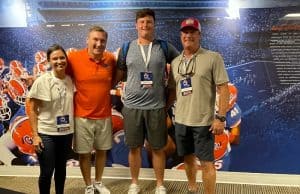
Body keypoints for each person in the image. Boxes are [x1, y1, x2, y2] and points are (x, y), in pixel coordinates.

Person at [115, 8, 179, 194]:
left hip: (156, 107)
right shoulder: (127, 48)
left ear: (154, 24)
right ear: (136, 25)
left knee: (158, 148)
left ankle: (160, 185)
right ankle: (134, 183)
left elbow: (180, 63)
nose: (145, 25)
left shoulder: (164, 47)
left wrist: (172, 91)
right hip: (132, 107)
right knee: (134, 148)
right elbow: (118, 75)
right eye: (141, 22)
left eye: (149, 22)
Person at [170, 18, 230, 194]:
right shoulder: (175, 63)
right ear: (181, 36)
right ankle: (192, 188)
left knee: (207, 163)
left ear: (199, 35)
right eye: (185, 32)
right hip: (181, 121)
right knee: (188, 159)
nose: (188, 35)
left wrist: (220, 117)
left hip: (204, 122)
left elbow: (223, 88)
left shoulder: (213, 57)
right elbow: (173, 92)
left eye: (192, 32)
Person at [67, 25, 115, 194]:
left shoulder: (110, 59)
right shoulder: (74, 58)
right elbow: (59, 75)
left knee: (102, 151)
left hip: (104, 115)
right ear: (87, 40)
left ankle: (98, 182)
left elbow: (114, 81)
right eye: (95, 39)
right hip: (82, 115)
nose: (99, 43)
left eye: (102, 40)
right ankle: (88, 185)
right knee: (84, 154)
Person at [28, 44, 74, 194]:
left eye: (62, 57)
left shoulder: (70, 80)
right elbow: (32, 108)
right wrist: (35, 135)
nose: (59, 61)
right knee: (47, 172)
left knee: (61, 170)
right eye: (55, 59)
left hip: (66, 133)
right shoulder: (43, 80)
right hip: (46, 133)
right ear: (48, 61)